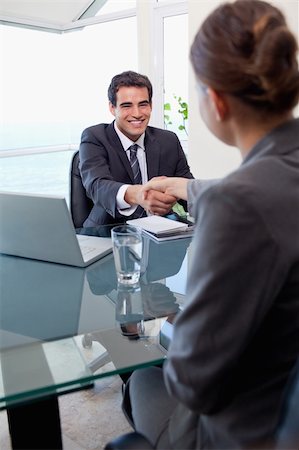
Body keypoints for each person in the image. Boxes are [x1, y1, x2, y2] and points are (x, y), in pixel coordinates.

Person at [121, 1, 299, 448]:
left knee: (143, 381)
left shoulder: (236, 206)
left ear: (215, 100)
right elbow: (270, 189)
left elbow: (192, 380)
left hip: (251, 430)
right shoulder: (267, 182)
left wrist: (165, 326)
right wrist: (187, 186)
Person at [79, 70, 194, 226]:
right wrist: (139, 195)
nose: (137, 113)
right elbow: (98, 185)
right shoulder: (95, 137)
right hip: (108, 231)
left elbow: (188, 189)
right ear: (112, 108)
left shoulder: (168, 140)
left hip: (160, 229)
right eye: (127, 106)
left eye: (143, 104)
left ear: (151, 105)